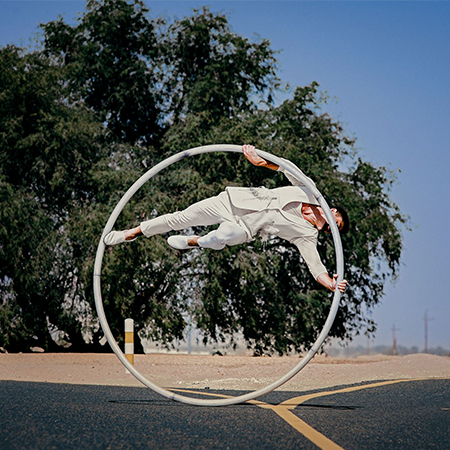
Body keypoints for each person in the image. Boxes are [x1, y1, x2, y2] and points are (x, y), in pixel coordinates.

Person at [104, 145, 349, 293]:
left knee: (222, 236)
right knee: (181, 217)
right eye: (335, 220)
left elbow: (315, 265)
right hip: (233, 201)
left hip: (244, 228)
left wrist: (330, 283)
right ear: (333, 210)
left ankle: (195, 242)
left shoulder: (307, 235)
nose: (330, 225)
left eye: (333, 229)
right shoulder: (310, 190)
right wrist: (258, 160)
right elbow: (287, 167)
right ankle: (132, 233)